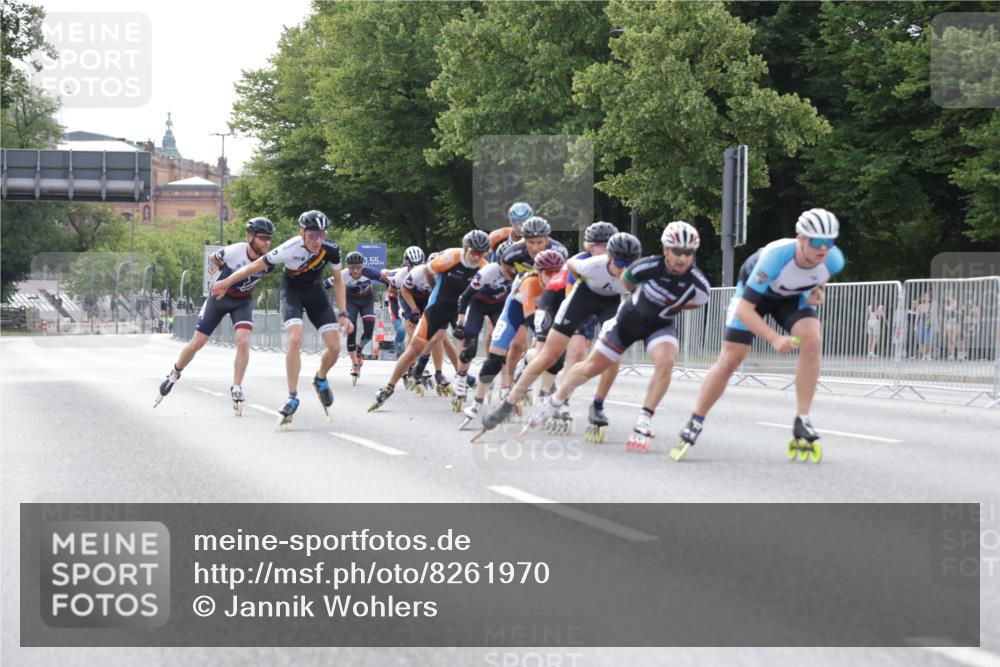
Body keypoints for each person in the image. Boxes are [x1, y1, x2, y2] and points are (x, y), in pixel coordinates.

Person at [673, 208, 846, 463]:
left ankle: (803, 419)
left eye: (829, 242)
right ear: (800, 239)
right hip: (754, 298)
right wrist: (774, 338)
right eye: (817, 242)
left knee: (812, 341)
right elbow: (745, 309)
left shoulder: (834, 259)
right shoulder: (775, 258)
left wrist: (818, 289)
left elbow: (820, 276)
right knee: (731, 359)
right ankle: (695, 419)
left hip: (790, 298)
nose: (824, 249)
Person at [519, 222, 710, 451]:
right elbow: (626, 281)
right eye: (677, 252)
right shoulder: (645, 266)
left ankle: (644, 419)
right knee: (590, 368)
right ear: (665, 250)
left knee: (666, 361)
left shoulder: (699, 284)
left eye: (688, 253)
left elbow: (695, 303)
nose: (682, 258)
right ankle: (557, 399)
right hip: (628, 322)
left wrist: (668, 308)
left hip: (659, 325)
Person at [476, 232, 643, 438]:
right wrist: (574, 286)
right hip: (582, 298)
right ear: (609, 257)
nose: (624, 268)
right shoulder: (592, 264)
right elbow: (571, 266)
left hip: (610, 303)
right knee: (549, 355)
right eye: (619, 262)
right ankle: (509, 401)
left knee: (613, 355)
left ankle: (597, 404)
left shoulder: (637, 273)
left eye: (629, 263)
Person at [211, 210, 354, 428]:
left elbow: (338, 281)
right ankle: (292, 396)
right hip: (292, 293)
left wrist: (343, 313)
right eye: (313, 235)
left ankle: (321, 378)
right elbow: (254, 266)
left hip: (315, 294)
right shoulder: (290, 247)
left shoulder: (331, 249)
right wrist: (226, 282)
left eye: (322, 235)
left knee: (335, 348)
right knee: (295, 339)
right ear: (302, 233)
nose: (318, 241)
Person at [155, 217, 276, 414]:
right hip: (220, 298)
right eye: (263, 238)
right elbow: (214, 258)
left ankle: (237, 387)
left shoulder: (268, 261)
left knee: (243, 341)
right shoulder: (235, 251)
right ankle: (174, 373)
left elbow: (265, 273)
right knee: (198, 343)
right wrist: (223, 275)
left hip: (242, 301)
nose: (267, 243)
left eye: (269, 239)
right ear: (250, 237)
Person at [461, 216, 568, 425]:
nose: (536, 247)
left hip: (549, 302)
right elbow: (508, 275)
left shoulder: (560, 253)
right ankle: (477, 403)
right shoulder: (513, 254)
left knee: (549, 354)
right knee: (495, 358)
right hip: (519, 302)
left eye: (540, 242)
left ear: (548, 239)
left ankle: (541, 388)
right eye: (531, 242)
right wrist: (520, 281)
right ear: (523, 240)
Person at [369, 230, 491, 411]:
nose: (476, 256)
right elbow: (427, 270)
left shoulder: (483, 266)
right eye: (473, 251)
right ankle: (388, 387)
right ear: (465, 248)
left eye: (481, 253)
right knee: (415, 348)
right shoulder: (451, 257)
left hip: (459, 309)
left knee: (462, 343)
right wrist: (435, 291)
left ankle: (460, 378)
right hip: (437, 306)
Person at [451, 240, 515, 411]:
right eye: (508, 266)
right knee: (470, 347)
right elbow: (465, 297)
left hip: (499, 306)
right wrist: (460, 323)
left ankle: (505, 386)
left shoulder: (519, 273)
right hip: (478, 304)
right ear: (500, 262)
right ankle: (461, 377)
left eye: (515, 265)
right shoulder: (488, 272)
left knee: (505, 347)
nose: (512, 270)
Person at [323, 251, 388, 383]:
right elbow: (324, 285)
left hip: (367, 301)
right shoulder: (342, 275)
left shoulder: (369, 272)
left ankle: (359, 349)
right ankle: (355, 364)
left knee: (369, 331)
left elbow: (387, 279)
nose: (356, 270)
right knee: (350, 329)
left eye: (358, 267)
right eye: (352, 268)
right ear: (348, 266)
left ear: (362, 266)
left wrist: (393, 291)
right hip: (350, 301)